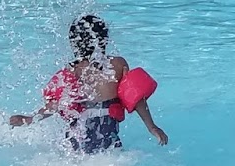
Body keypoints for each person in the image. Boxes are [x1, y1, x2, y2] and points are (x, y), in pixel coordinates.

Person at [10, 14, 167, 154]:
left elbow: (56, 104)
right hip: (106, 134)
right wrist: (151, 126)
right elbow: (136, 96)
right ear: (104, 39)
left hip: (77, 136)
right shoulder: (117, 65)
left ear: (75, 43)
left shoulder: (72, 70)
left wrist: (30, 119)